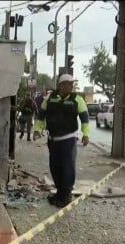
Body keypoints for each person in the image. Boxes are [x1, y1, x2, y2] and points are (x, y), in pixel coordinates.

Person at [33, 74, 90, 208]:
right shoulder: (50, 98)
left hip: (69, 139)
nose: (71, 86)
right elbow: (41, 115)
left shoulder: (77, 99)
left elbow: (85, 118)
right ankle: (59, 193)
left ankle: (66, 195)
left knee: (67, 167)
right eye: (68, 84)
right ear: (61, 85)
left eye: (72, 84)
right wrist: (37, 130)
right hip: (53, 140)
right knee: (55, 167)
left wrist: (85, 134)